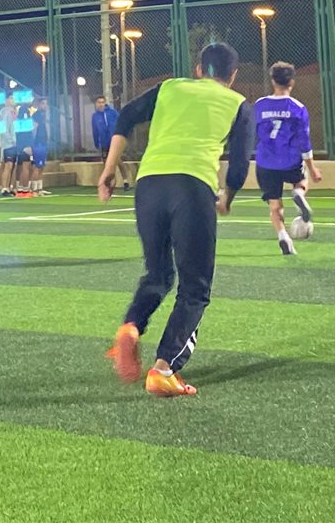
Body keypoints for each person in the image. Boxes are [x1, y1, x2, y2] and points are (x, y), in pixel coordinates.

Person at [101, 42, 253, 398]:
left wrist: (109, 170)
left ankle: (132, 326)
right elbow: (240, 163)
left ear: (198, 69)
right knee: (195, 287)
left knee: (158, 274)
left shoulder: (169, 87)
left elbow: (126, 116)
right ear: (232, 76)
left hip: (148, 185)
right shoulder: (237, 104)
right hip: (192, 188)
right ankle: (164, 369)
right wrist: (227, 197)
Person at [253, 61, 323, 255]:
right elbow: (304, 141)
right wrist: (312, 168)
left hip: (265, 162)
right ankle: (299, 192)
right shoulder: (297, 108)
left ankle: (283, 237)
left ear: (272, 81)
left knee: (275, 205)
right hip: (290, 160)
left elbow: (254, 132)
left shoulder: (259, 105)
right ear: (292, 82)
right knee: (302, 180)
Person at [91, 95, 131, 190]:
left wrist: (121, 136)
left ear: (105, 103)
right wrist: (96, 142)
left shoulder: (112, 112)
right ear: (96, 104)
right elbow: (95, 130)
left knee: (118, 160)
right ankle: (110, 183)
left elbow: (120, 122)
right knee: (107, 164)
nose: (101, 104)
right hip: (104, 142)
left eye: (102, 102)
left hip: (114, 141)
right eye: (99, 102)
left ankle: (126, 181)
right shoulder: (95, 116)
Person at [19, 96, 53, 197]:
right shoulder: (36, 115)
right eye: (43, 104)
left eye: (46, 104)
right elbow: (33, 130)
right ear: (38, 105)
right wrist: (31, 144)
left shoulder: (42, 116)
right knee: (37, 167)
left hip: (43, 143)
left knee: (41, 166)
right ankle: (34, 189)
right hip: (38, 144)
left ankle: (39, 188)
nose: (45, 106)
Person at [0, 99, 22, 197]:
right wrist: (11, 140)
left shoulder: (13, 112)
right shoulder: (6, 112)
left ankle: (9, 187)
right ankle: (4, 188)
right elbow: (5, 129)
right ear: (7, 101)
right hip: (8, 144)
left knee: (11, 165)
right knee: (8, 165)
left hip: (12, 143)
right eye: (11, 98)